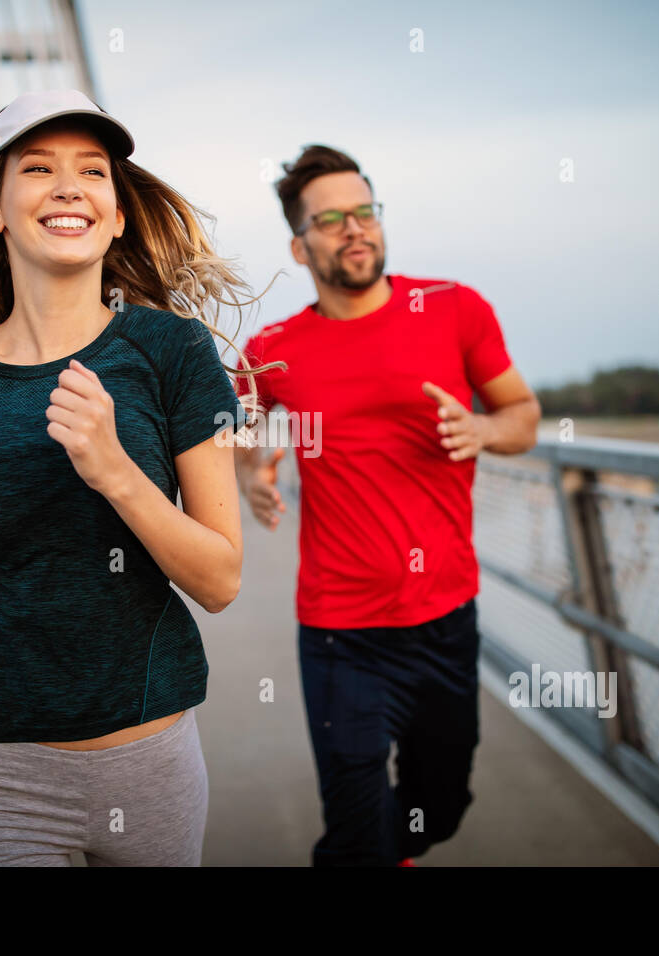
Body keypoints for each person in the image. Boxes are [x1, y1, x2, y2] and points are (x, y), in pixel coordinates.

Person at [0, 89, 267, 866]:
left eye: (93, 172)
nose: (69, 185)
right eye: (37, 167)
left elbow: (220, 579)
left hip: (149, 763)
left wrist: (115, 472)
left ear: (115, 216)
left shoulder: (170, 354)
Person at [233, 144, 542, 866]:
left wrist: (482, 428)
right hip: (342, 632)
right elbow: (242, 428)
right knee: (354, 832)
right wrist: (252, 470)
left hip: (445, 617)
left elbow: (524, 415)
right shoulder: (272, 347)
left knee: (440, 809)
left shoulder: (455, 309)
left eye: (365, 211)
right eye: (332, 218)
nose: (355, 228)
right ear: (299, 243)